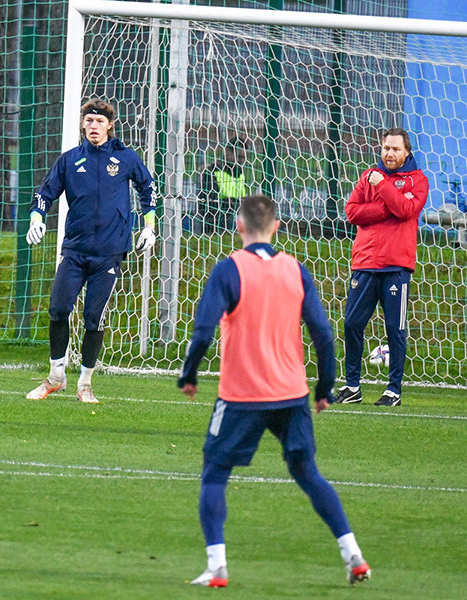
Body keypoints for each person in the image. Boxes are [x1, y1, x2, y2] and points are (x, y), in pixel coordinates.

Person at [178, 194, 370, 587]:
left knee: (215, 473)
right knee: (307, 471)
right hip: (291, 394)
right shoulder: (295, 269)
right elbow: (323, 335)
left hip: (242, 396)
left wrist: (189, 374)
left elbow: (203, 330)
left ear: (239, 226)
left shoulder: (229, 269)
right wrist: (325, 388)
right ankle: (353, 555)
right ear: (277, 227)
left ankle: (216, 566)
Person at [24, 99, 157, 404]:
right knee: (58, 309)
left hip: (109, 253)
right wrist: (36, 218)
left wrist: (149, 227)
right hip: (75, 250)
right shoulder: (70, 160)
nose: (93, 126)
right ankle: (56, 377)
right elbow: (43, 194)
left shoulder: (125, 158)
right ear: (82, 125)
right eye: (89, 121)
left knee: (94, 317)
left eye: (99, 121)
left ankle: (85, 384)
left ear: (110, 125)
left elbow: (148, 189)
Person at [336, 127, 429, 407]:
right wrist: (388, 207)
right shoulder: (368, 176)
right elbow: (352, 212)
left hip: (396, 267)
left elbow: (407, 211)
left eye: (396, 149)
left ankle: (393, 390)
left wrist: (384, 189)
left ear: (407, 152)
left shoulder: (418, 180)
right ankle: (352, 386)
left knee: (394, 329)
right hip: (365, 263)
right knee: (352, 324)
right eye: (386, 148)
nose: (390, 153)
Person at [197, 136, 249, 234]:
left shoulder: (240, 173)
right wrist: (233, 204)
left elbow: (242, 197)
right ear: (227, 151)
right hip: (216, 223)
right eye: (239, 157)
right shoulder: (212, 171)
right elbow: (208, 203)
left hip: (235, 220)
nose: (241, 161)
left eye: (243, 158)